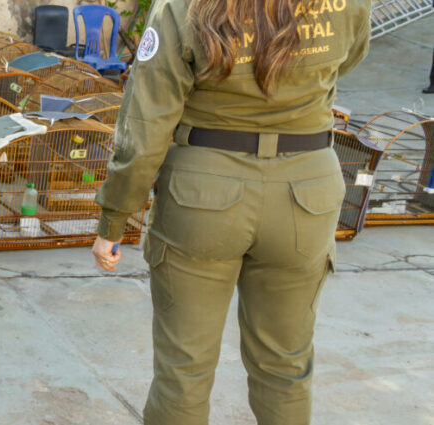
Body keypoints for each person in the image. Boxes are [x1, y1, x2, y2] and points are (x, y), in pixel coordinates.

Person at [90, 0, 370, 422]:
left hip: (203, 192)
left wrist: (113, 219)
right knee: (286, 366)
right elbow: (346, 59)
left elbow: (146, 126)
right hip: (306, 191)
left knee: (183, 369)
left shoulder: (181, 7)